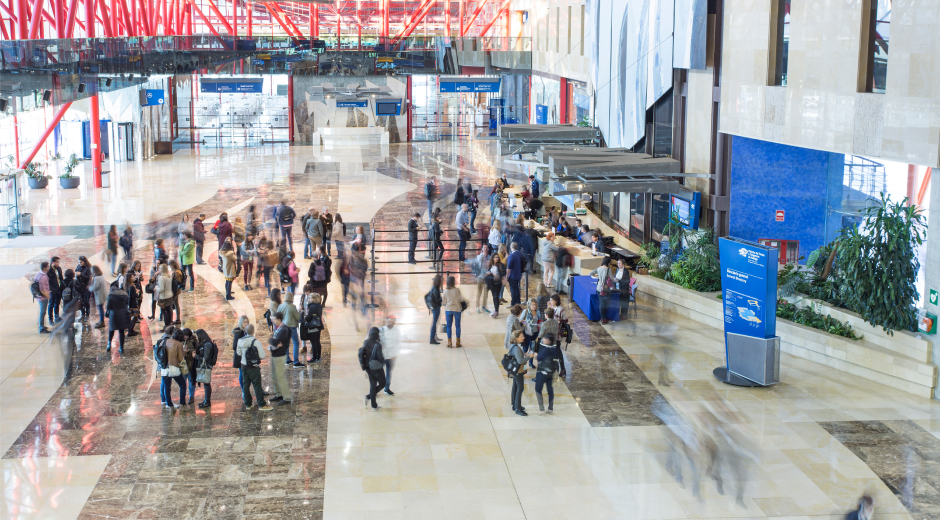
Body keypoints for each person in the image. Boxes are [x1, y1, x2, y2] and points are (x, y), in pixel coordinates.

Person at [236, 324, 272, 410]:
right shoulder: (256, 342)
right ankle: (261, 404)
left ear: (245, 331)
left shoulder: (240, 341)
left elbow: (239, 353)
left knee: (245, 385)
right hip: (253, 367)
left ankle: (248, 404)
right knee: (257, 385)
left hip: (243, 366)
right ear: (253, 331)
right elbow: (262, 356)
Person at [268, 312, 294, 404]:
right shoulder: (278, 328)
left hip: (280, 356)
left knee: (280, 377)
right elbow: (275, 342)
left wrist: (271, 340)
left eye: (273, 319)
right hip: (274, 354)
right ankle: (279, 394)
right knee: (274, 376)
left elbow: (275, 342)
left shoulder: (284, 329)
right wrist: (273, 341)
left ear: (278, 319)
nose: (272, 320)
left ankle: (287, 397)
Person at [358, 327, 386, 411]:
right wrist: (384, 362)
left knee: (373, 385)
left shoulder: (366, 342)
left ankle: (374, 405)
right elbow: (380, 357)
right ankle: (368, 397)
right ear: (377, 335)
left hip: (368, 367)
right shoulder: (378, 345)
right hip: (376, 368)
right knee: (383, 383)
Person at [534, 332, 562, 413]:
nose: (543, 339)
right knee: (550, 390)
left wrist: (535, 355)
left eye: (545, 338)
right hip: (550, 373)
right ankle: (550, 408)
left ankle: (541, 408)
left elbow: (538, 357)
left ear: (549, 340)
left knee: (538, 389)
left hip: (542, 373)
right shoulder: (555, 349)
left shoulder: (545, 349)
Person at [507, 330, 532, 416]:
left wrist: (524, 354)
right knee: (520, 388)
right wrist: (529, 357)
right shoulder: (516, 348)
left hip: (515, 370)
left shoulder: (513, 346)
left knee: (515, 387)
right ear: (516, 338)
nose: (523, 337)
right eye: (521, 336)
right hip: (518, 371)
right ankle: (518, 409)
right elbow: (520, 361)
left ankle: (514, 405)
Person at [162, 328, 188, 408]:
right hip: (173, 368)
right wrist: (185, 352)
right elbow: (180, 358)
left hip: (164, 367)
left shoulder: (165, 341)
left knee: (167, 387)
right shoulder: (178, 344)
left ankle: (169, 405)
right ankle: (183, 405)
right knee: (182, 385)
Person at [278, 291, 303, 368]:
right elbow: (297, 317)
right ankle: (296, 362)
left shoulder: (281, 306)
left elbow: (278, 316)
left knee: (286, 343)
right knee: (296, 343)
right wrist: (300, 310)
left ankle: (287, 360)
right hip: (291, 327)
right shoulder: (292, 306)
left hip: (283, 327)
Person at [193, 329, 217, 408]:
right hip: (205, 366)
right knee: (206, 383)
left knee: (206, 383)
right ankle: (206, 400)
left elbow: (206, 357)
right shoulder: (206, 343)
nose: (197, 338)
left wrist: (196, 356)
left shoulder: (207, 345)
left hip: (206, 366)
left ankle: (207, 401)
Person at [105, 282, 132, 353]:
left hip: (113, 314)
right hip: (123, 314)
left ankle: (109, 344)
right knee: (121, 331)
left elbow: (108, 307)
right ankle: (121, 348)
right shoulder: (124, 294)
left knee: (111, 329)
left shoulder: (110, 295)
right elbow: (127, 304)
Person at [588, 256, 614, 324]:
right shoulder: (608, 270)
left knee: (601, 303)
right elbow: (612, 278)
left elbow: (590, 273)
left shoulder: (599, 268)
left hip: (599, 288)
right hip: (606, 288)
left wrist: (598, 276)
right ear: (609, 262)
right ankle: (603, 318)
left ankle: (603, 318)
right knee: (606, 304)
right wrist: (616, 280)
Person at [442, 275, 465, 348]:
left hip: (448, 310)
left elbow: (444, 302)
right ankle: (458, 343)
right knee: (457, 326)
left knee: (449, 326)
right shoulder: (457, 290)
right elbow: (460, 299)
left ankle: (449, 343)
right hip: (457, 309)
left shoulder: (445, 291)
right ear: (454, 282)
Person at [379, 316, 399, 395]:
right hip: (382, 356)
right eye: (389, 321)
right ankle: (376, 389)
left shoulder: (396, 331)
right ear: (386, 321)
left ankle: (386, 388)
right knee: (378, 373)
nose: (390, 323)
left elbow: (398, 343)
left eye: (392, 321)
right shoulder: (381, 330)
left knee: (388, 373)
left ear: (395, 322)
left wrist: (395, 354)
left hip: (391, 357)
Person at [302, 291, 324, 363]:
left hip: (312, 326)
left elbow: (309, 318)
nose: (308, 299)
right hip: (319, 325)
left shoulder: (312, 307)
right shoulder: (319, 306)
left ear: (314, 299)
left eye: (310, 298)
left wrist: (305, 318)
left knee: (313, 343)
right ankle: (318, 357)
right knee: (317, 341)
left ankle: (314, 358)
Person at [520, 299, 543, 366]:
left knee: (532, 348)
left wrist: (540, 324)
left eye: (535, 304)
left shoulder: (538, 312)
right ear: (529, 305)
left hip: (535, 332)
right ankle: (523, 362)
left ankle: (530, 362)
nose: (534, 306)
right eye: (533, 305)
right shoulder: (526, 311)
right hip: (527, 332)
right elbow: (520, 320)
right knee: (525, 348)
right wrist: (525, 323)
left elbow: (539, 320)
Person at [472, 244, 492, 314]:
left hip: (486, 277)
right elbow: (478, 265)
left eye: (486, 248)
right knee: (479, 292)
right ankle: (477, 307)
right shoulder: (479, 257)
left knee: (486, 292)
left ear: (488, 249)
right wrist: (481, 258)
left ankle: (484, 306)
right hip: (480, 277)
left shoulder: (489, 257)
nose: (485, 249)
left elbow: (491, 267)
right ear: (482, 249)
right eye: (484, 248)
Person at [33, 262, 52, 333]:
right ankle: (41, 328)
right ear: (44, 268)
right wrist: (48, 296)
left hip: (39, 296)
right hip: (43, 297)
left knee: (42, 312)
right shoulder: (43, 277)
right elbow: (42, 290)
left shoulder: (38, 274)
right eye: (48, 266)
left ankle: (42, 326)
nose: (49, 267)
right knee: (42, 312)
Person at [155, 264, 175, 329]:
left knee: (164, 312)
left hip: (164, 297)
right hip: (170, 295)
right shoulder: (170, 276)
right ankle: (169, 325)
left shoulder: (161, 278)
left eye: (160, 268)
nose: (159, 270)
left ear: (162, 269)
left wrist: (156, 289)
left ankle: (166, 326)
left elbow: (161, 289)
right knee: (169, 310)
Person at [46, 256, 63, 324]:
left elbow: (61, 278)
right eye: (57, 262)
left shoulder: (59, 268)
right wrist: (50, 289)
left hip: (58, 289)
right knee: (51, 304)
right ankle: (50, 319)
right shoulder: (48, 270)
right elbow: (46, 281)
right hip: (52, 290)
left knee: (57, 304)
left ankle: (57, 317)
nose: (58, 263)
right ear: (53, 262)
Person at [428, 275, 443, 344]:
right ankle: (432, 338)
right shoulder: (436, 289)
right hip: (436, 307)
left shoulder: (433, 287)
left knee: (435, 322)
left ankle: (434, 336)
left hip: (434, 307)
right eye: (441, 280)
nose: (442, 281)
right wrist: (443, 298)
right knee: (434, 323)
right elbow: (437, 299)